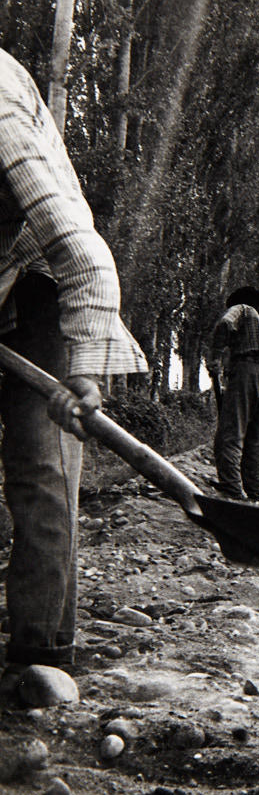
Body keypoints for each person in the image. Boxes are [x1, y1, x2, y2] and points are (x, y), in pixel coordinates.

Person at [0, 47, 149, 690]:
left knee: (40, 461)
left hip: (45, 279)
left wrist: (85, 369)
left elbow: (81, 252)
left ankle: (41, 651)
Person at [209, 286, 259, 502]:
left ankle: (232, 490)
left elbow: (225, 323)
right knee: (256, 440)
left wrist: (215, 357)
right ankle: (255, 493)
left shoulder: (243, 309)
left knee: (230, 433)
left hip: (247, 371)